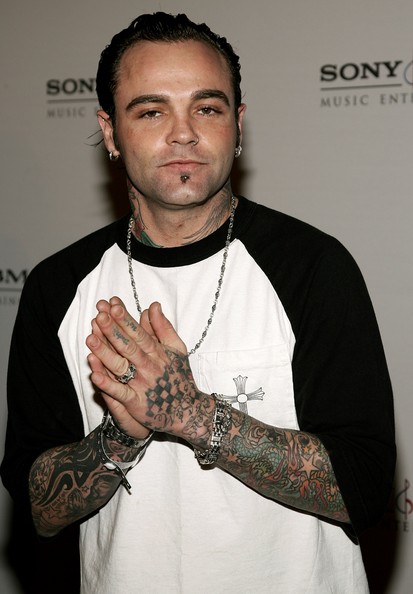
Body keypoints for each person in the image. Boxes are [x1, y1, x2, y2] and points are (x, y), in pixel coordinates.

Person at [1, 12, 395, 594]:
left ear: (238, 125)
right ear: (110, 132)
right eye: (151, 111)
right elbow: (39, 508)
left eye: (207, 108)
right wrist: (119, 439)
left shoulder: (314, 267)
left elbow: (364, 485)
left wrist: (194, 416)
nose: (183, 133)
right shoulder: (58, 287)